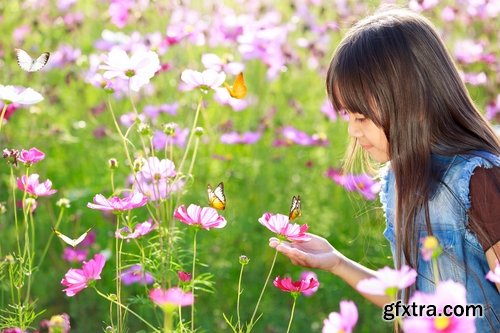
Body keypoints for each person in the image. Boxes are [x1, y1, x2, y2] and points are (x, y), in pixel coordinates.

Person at [269, 7, 500, 332]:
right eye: (347, 116)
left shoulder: (478, 179)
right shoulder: (396, 180)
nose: (352, 131)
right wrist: (336, 262)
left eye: (361, 118)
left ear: (413, 103)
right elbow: (411, 304)